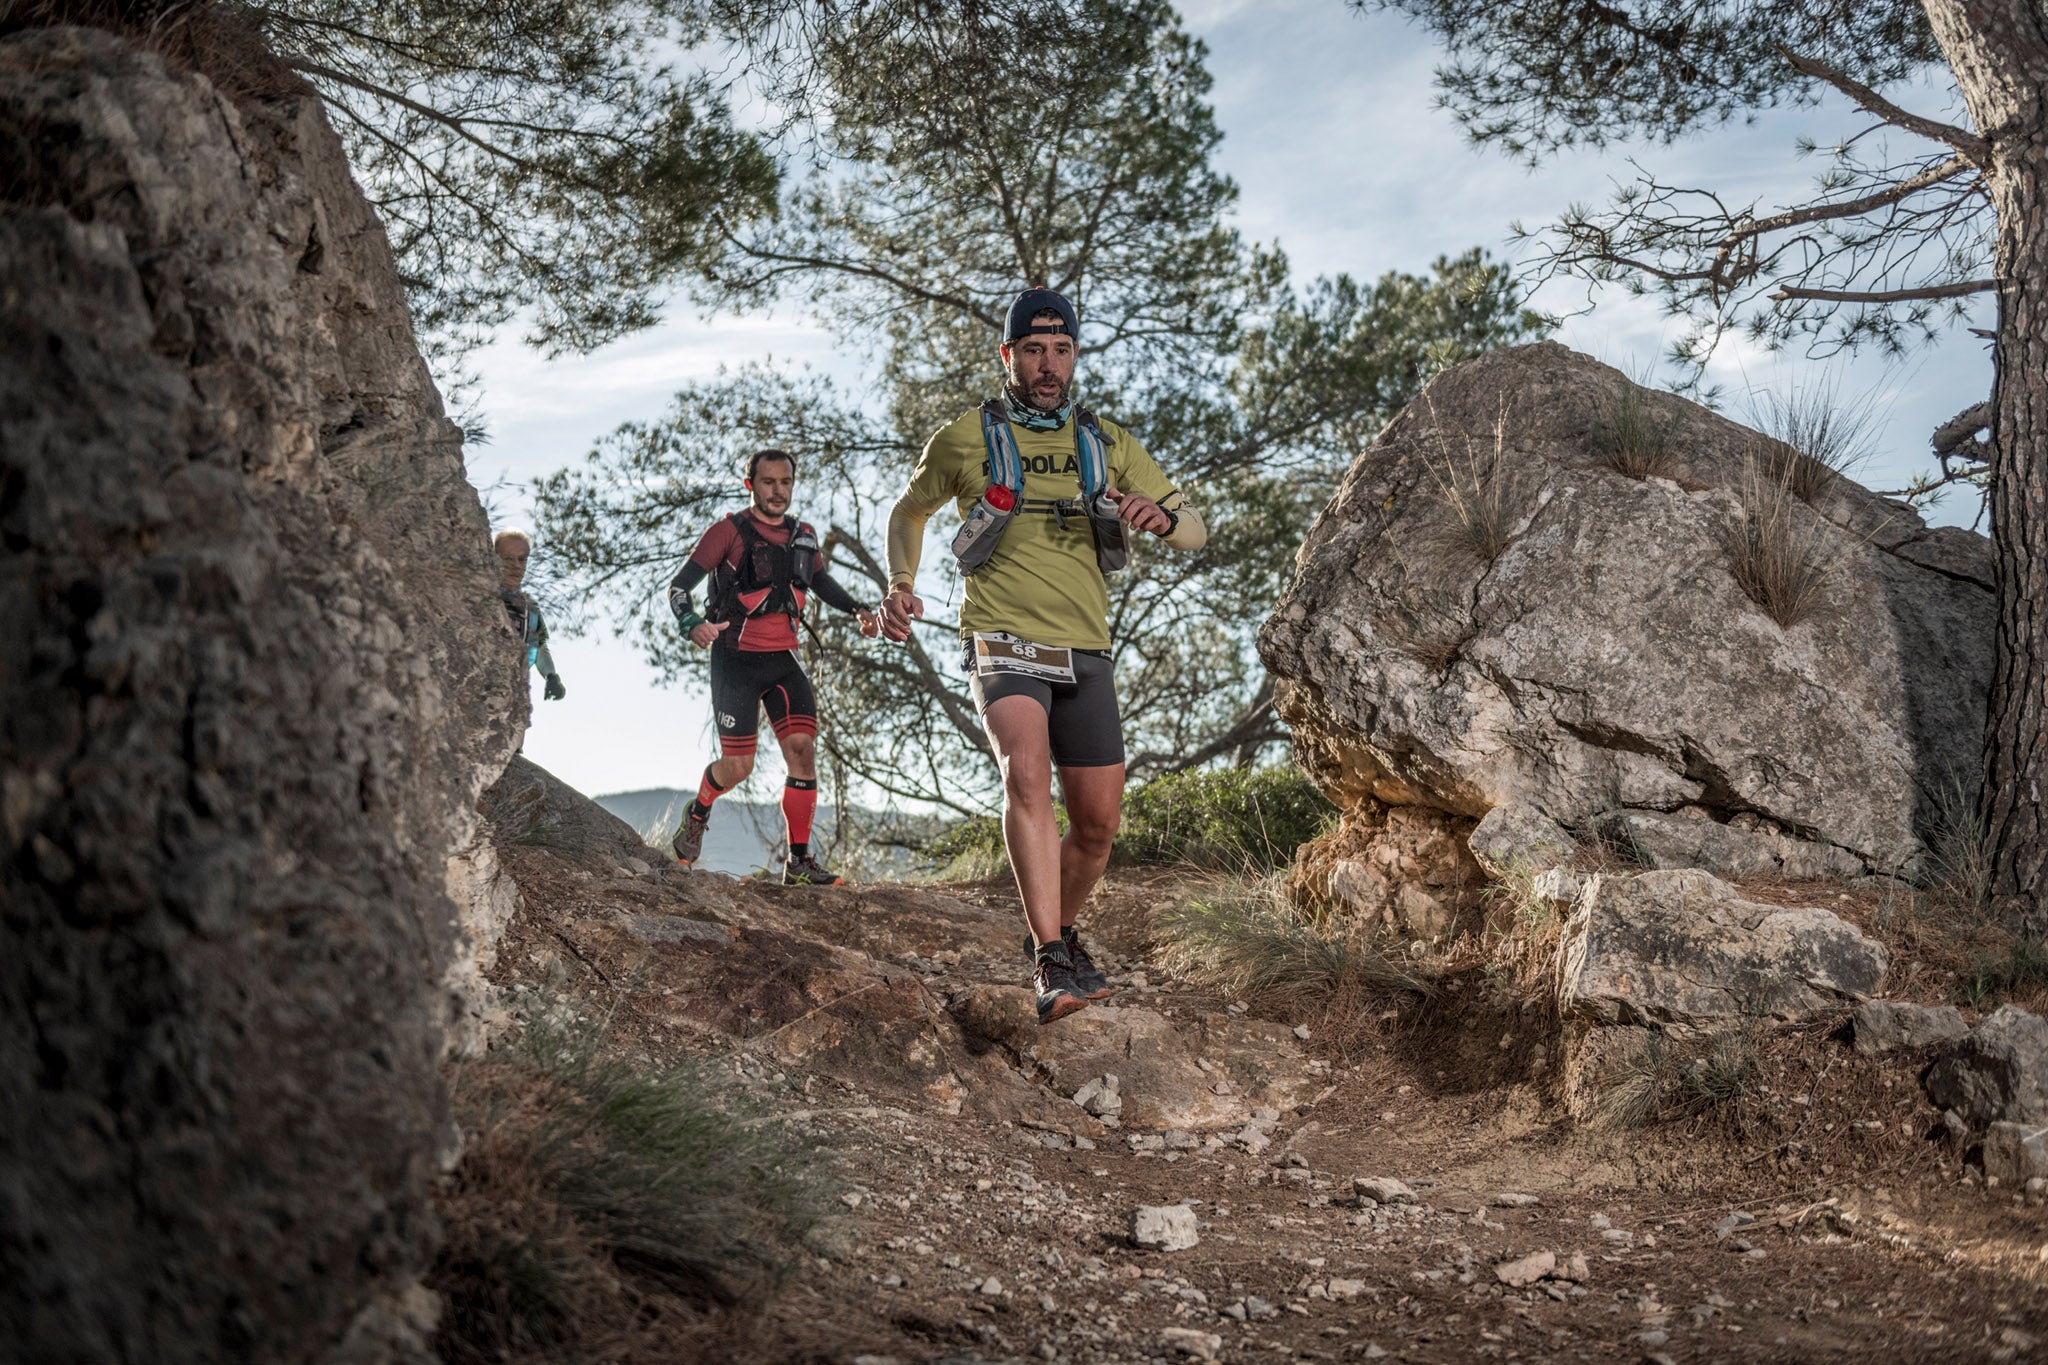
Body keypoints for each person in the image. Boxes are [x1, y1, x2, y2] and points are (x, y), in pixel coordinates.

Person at [879, 288, 1206, 1023]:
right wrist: (901, 583)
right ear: (1008, 355)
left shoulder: (1108, 442)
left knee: (1097, 826)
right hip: (1001, 635)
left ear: (1075, 355)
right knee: (1024, 771)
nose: (1047, 364)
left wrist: (1162, 516)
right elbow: (909, 510)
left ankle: (1060, 932)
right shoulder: (968, 435)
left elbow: (1196, 530)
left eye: (1060, 350)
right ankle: (1051, 957)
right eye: (1033, 349)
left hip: (1085, 646)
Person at [666, 449, 879, 885]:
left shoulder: (804, 534)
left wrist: (857, 608)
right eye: (768, 482)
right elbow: (679, 585)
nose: (778, 490)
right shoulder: (727, 532)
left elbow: (818, 580)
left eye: (785, 482)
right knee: (739, 768)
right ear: (751, 485)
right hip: (736, 661)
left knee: (802, 751)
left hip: (783, 660)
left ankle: (798, 862)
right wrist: (691, 623)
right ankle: (700, 808)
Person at [495, 529, 566, 704]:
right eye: (508, 559)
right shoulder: (482, 595)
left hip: (511, 695)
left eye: (522, 559)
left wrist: (551, 676)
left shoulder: (530, 609)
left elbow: (539, 647)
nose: (516, 566)